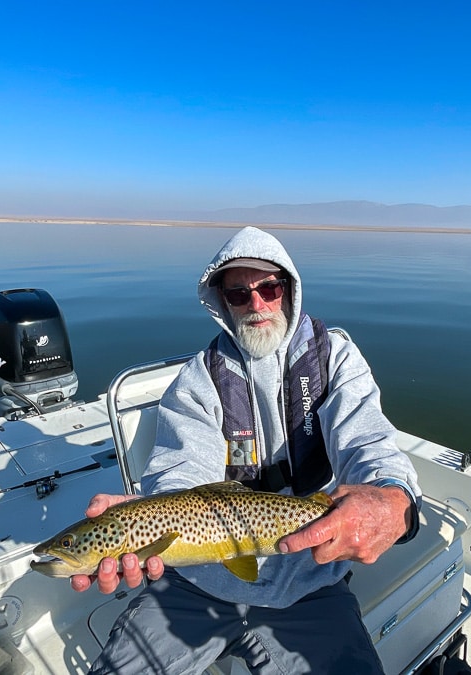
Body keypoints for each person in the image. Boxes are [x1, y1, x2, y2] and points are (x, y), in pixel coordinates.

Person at [73, 226, 422, 674]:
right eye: (238, 295)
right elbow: (181, 473)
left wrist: (392, 497)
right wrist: (149, 514)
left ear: (289, 290)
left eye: (268, 288)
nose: (256, 305)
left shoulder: (335, 358)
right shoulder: (198, 380)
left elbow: (368, 442)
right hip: (200, 581)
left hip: (309, 577)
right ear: (221, 303)